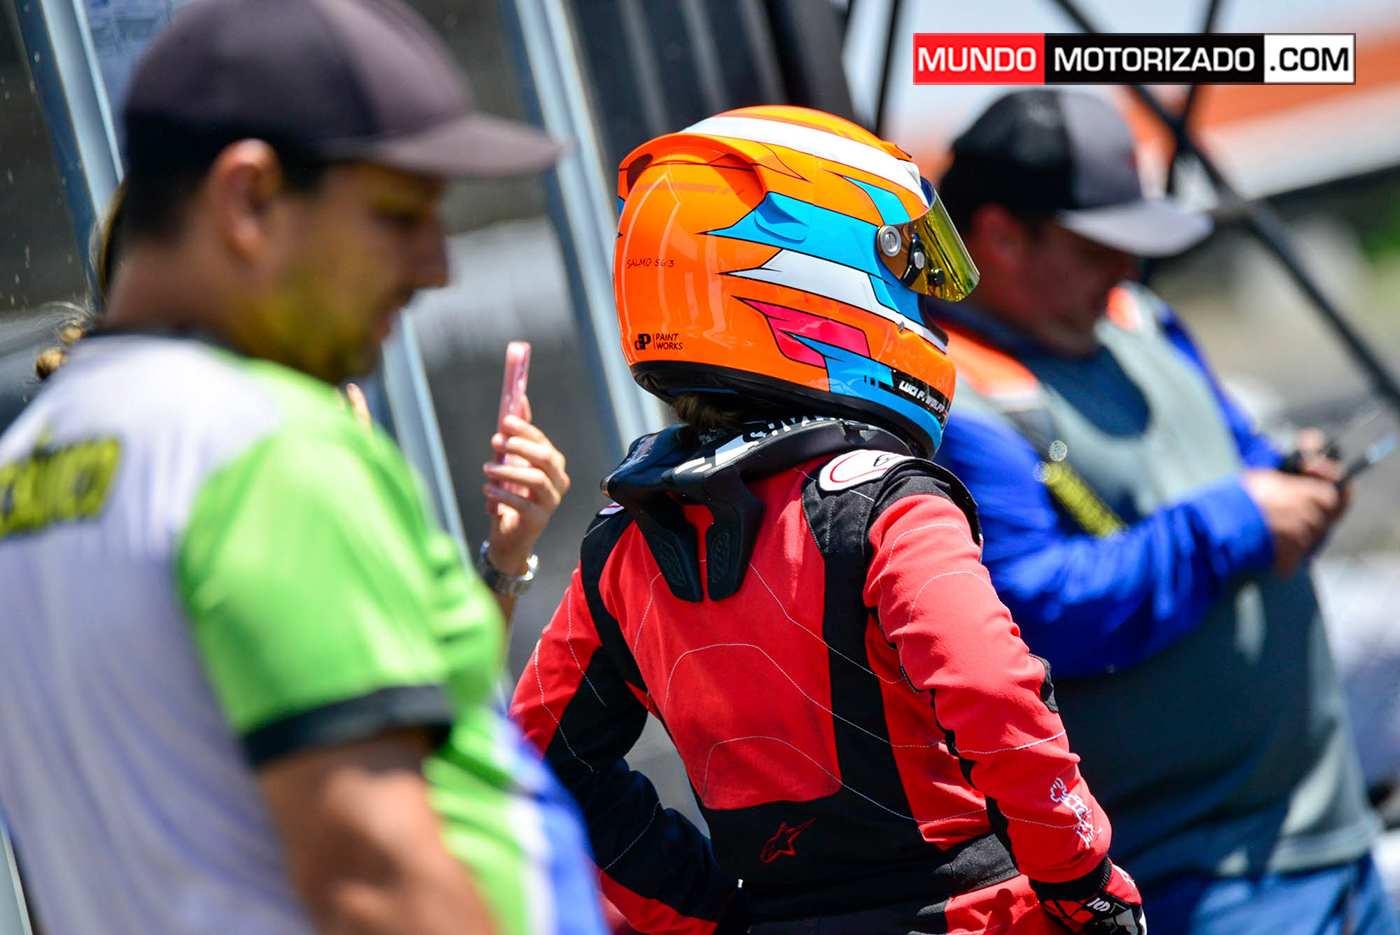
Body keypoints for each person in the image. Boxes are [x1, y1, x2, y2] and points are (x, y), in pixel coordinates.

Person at [0, 1, 606, 933]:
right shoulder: (263, 445)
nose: (436, 266)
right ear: (247, 199)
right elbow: (376, 872)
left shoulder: (27, 470)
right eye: (397, 215)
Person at [510, 104, 1145, 935]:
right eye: (903, 271)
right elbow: (993, 690)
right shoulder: (888, 503)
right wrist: (1082, 878)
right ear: (815, 280)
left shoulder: (623, 543)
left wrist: (707, 912)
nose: (921, 305)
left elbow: (537, 761)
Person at [925, 88, 1395, 935]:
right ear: (1000, 236)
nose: (1125, 267)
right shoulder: (959, 401)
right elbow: (1029, 612)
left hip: (1330, 828)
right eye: (1097, 245)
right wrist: (1238, 522)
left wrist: (1288, 481)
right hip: (1199, 879)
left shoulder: (1140, 317)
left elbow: (1237, 454)